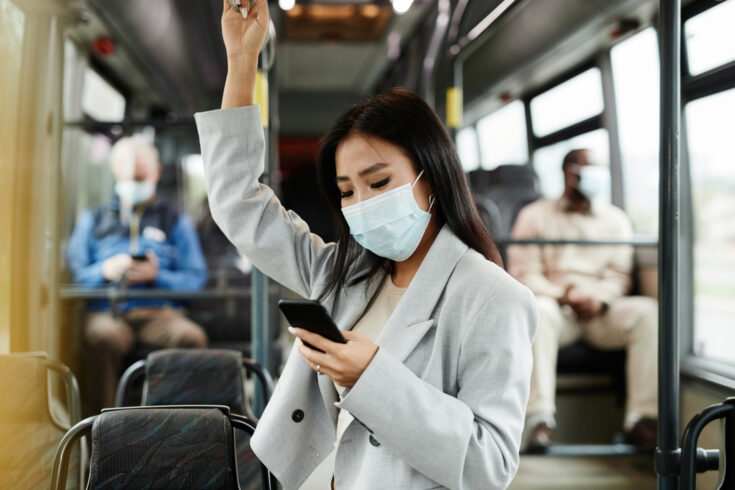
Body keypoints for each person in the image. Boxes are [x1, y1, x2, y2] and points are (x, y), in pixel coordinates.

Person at [194, 2, 537, 489]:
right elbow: (239, 205)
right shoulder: (342, 274)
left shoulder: (494, 298)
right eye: (347, 191)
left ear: (432, 177)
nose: (361, 203)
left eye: (378, 183)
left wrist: (370, 377)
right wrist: (241, 60)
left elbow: (488, 464)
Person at [508, 149, 658, 450]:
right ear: (570, 174)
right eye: (592, 171)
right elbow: (523, 273)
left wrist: (599, 300)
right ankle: (539, 419)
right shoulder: (534, 216)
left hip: (600, 312)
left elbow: (618, 275)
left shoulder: (616, 220)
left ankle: (641, 419)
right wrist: (562, 295)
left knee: (647, 312)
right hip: (556, 307)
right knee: (537, 309)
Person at [67, 135, 208, 410]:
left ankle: (172, 426)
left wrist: (157, 276)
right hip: (107, 312)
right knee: (102, 339)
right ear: (116, 172)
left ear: (157, 173)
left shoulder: (175, 221)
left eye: (141, 178)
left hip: (159, 314)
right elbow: (74, 275)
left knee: (191, 337)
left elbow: (195, 278)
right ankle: (101, 429)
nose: (135, 184)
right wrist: (104, 270)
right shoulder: (92, 219)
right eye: (130, 177)